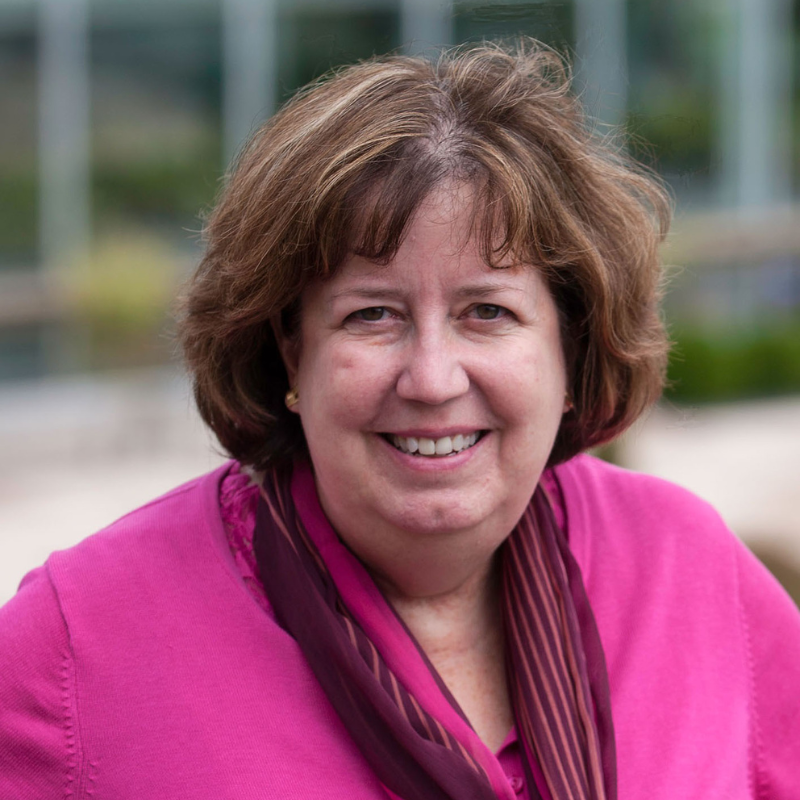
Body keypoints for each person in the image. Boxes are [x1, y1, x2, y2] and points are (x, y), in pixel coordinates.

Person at [2, 40, 799, 800]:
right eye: (372, 315)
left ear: (571, 349)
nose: (431, 378)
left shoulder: (688, 570)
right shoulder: (83, 641)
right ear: (289, 351)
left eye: (487, 311)